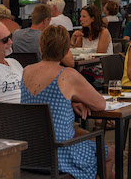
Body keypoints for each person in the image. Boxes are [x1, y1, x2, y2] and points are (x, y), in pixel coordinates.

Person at [21, 25, 115, 179]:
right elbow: (100, 104)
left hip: (30, 149)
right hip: (60, 152)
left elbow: (42, 100)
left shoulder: (26, 70)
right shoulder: (67, 75)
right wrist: (76, 99)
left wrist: (70, 102)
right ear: (67, 51)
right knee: (108, 152)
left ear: (40, 47)